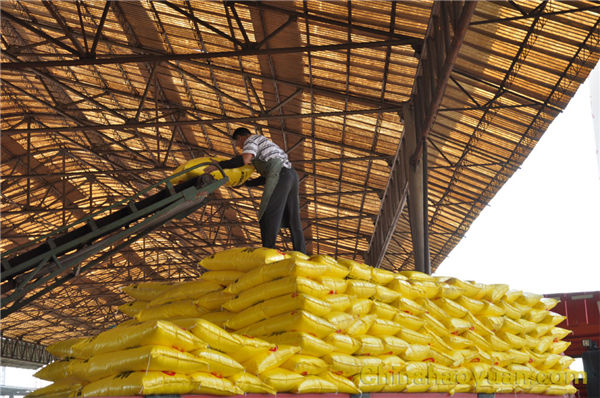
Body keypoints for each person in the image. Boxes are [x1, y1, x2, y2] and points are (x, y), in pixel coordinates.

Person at [217, 127, 306, 253]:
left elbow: (245, 159)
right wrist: (245, 183)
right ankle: (301, 252)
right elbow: (264, 178)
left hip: (280, 175)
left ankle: (268, 251)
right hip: (291, 176)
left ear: (242, 137)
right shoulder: (265, 145)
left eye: (237, 142)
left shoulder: (252, 139)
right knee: (293, 217)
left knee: (268, 213)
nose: (239, 146)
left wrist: (219, 165)